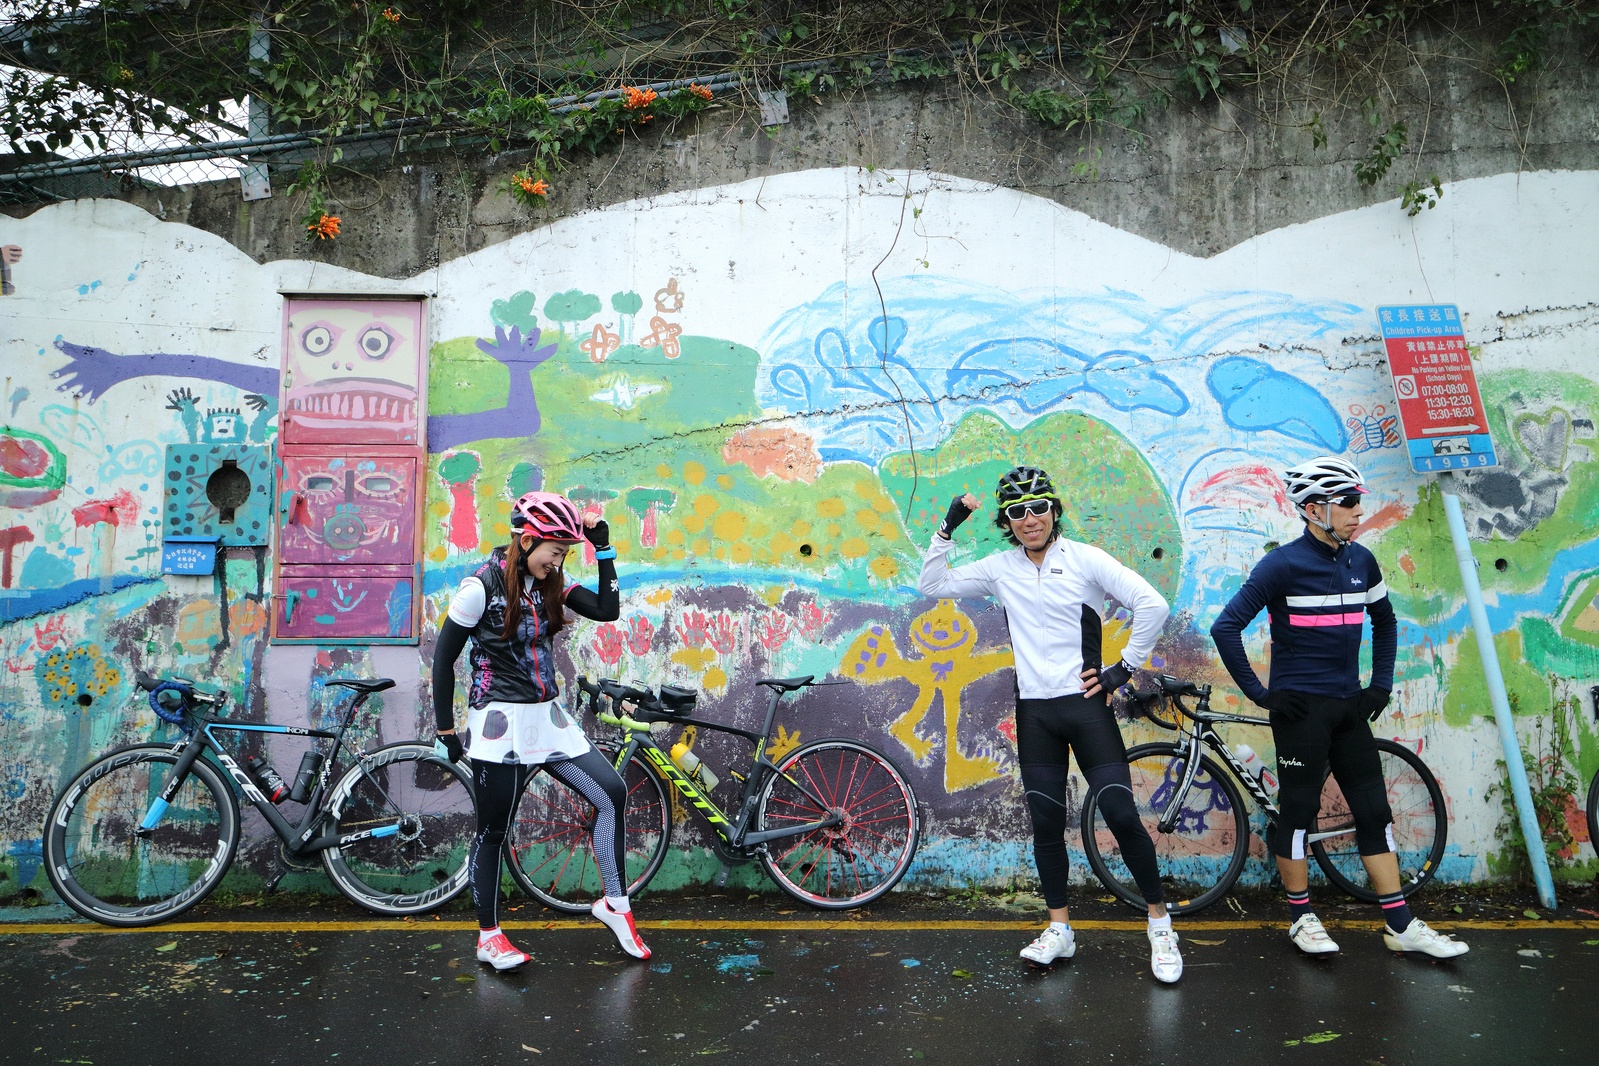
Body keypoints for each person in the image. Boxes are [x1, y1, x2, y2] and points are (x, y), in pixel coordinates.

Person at [919, 465, 1182, 983]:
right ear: (1007, 522)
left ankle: (1159, 924)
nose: (1030, 519)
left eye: (1038, 507)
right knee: (1045, 821)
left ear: (1054, 511)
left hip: (1085, 707)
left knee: (1120, 813)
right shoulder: (1000, 568)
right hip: (1035, 712)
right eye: (1017, 512)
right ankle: (1059, 929)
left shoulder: (1085, 559)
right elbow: (932, 585)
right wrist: (947, 528)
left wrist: (1122, 669)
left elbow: (1153, 604)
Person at [1209, 455, 1467, 959]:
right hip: (1301, 713)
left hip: (1350, 708)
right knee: (1298, 815)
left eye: (1358, 501)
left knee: (1374, 812)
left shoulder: (1361, 561)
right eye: (1347, 502)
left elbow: (1385, 622)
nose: (1357, 511)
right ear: (1313, 509)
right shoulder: (1282, 565)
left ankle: (1400, 925)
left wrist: (1381, 686)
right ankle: (1301, 918)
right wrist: (1263, 695)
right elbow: (1226, 627)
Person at [432, 490, 650, 970]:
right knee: (493, 831)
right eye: (555, 551)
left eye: (565, 554)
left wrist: (604, 549)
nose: (558, 562)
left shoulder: (549, 583)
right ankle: (489, 938)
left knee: (611, 792)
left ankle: (615, 904)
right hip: (499, 723)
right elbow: (443, 660)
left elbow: (607, 609)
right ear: (527, 541)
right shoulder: (479, 588)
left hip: (548, 718)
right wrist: (446, 730)